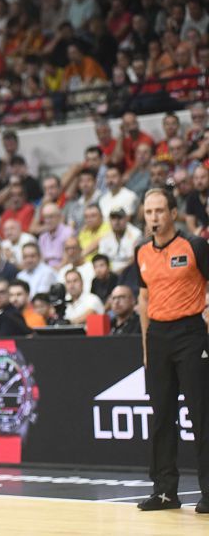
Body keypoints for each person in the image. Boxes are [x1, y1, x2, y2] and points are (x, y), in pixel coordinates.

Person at [135, 188, 209, 513]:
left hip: (192, 332)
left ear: (173, 213)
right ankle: (165, 492)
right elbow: (142, 299)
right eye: (149, 211)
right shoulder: (141, 253)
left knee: (201, 417)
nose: (154, 217)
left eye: (160, 211)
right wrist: (146, 346)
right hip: (159, 336)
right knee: (162, 418)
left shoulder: (194, 245)